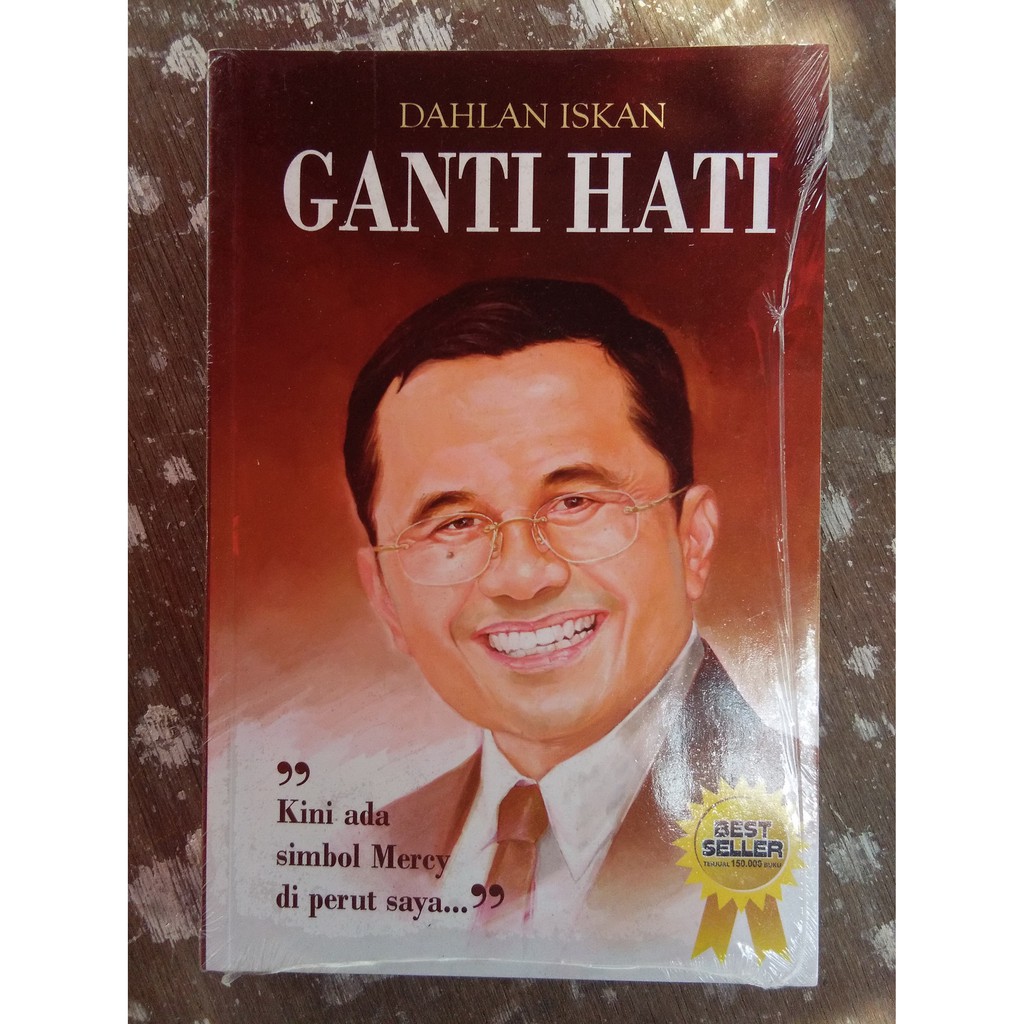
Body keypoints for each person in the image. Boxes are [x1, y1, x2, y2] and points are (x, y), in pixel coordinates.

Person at [343, 278, 789, 939]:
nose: (522, 576)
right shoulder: (365, 855)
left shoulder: (807, 815)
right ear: (383, 594)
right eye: (456, 523)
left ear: (691, 540)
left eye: (575, 502)